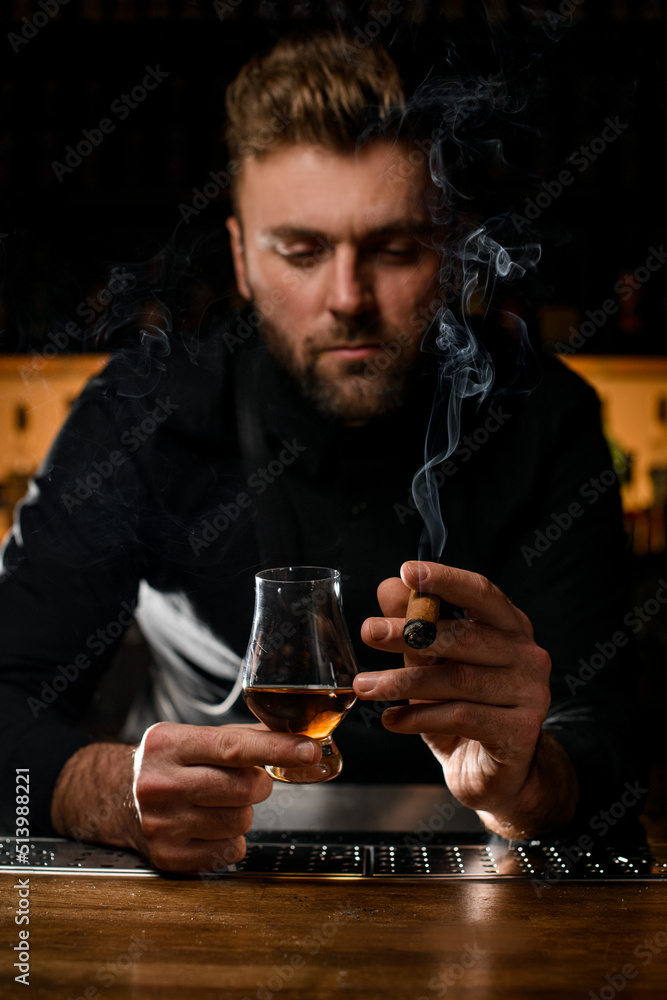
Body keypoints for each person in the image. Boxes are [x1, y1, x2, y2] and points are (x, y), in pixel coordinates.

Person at [0, 32, 645, 872]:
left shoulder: (543, 417)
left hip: (479, 877)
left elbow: (613, 738)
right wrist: (104, 789)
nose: (348, 299)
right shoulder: (145, 413)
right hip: (201, 871)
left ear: (448, 250)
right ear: (240, 256)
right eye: (301, 251)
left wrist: (528, 787)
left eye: (394, 249)